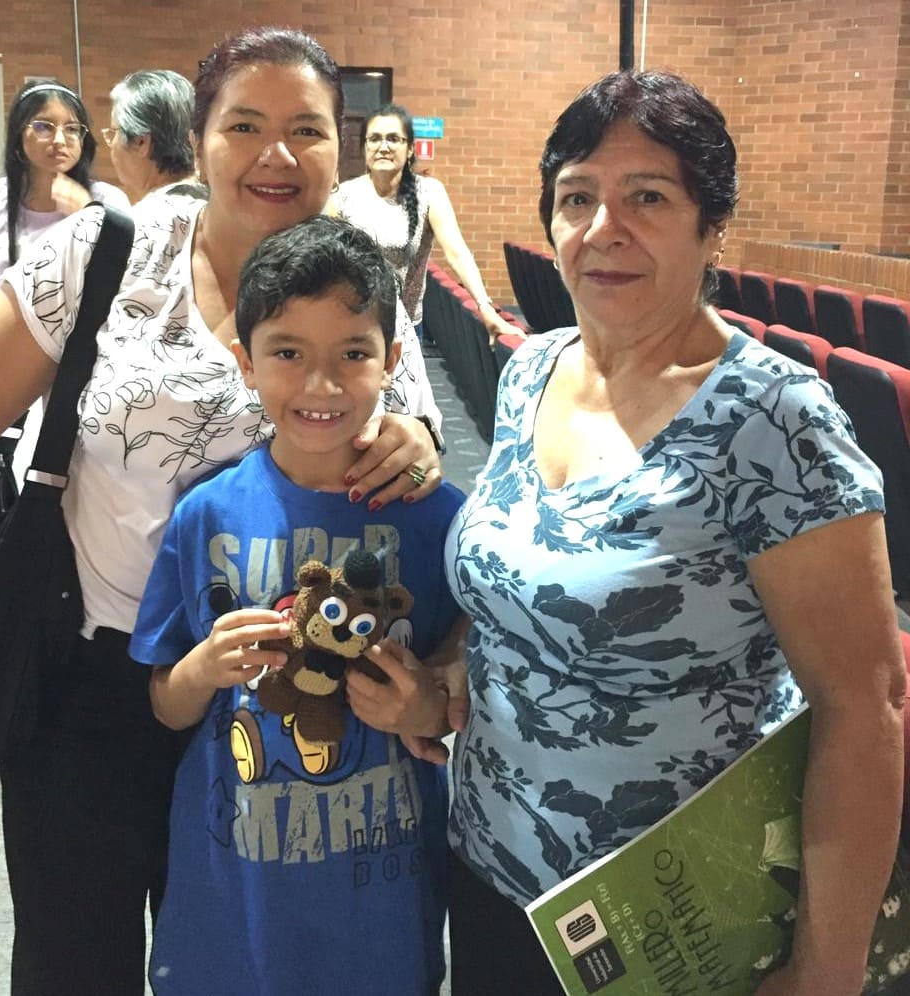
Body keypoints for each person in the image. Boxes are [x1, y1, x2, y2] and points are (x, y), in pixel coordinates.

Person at [360, 71, 907, 996]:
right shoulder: (534, 368)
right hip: (496, 875)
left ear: (711, 227)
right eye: (578, 197)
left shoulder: (772, 419)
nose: (603, 229)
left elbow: (866, 706)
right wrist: (445, 684)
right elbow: (520, 599)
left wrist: (824, 969)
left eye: (647, 197)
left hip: (680, 923)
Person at [0, 27, 443, 996]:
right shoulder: (109, 250)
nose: (276, 155)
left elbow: (407, 429)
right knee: (70, 963)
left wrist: (417, 443)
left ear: (337, 149)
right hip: (88, 683)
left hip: (269, 704)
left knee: (244, 966)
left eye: (305, 130)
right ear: (201, 135)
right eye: (246, 125)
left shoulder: (361, 283)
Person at [129, 214, 464, 995]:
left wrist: (427, 708)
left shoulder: (437, 518)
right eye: (288, 354)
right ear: (245, 363)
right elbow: (166, 705)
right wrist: (204, 668)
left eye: (353, 354)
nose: (322, 385)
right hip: (233, 902)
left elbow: (470, 680)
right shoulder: (206, 515)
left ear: (392, 361)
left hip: (384, 900)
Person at [330, 103, 518, 342]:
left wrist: (486, 308)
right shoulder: (344, 195)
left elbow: (457, 252)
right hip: (352, 325)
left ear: (409, 149)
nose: (383, 147)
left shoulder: (428, 193)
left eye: (394, 139)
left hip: (406, 330)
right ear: (365, 147)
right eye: (374, 139)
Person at [0, 79, 129, 325]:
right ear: (18, 134)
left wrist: (90, 216)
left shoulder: (107, 201)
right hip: (4, 337)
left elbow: (125, 285)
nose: (60, 139)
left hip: (81, 345)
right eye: (44, 126)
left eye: (72, 129)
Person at [102, 69, 196, 203]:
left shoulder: (143, 220)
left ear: (140, 142)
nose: (111, 144)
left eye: (113, 133)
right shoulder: (219, 203)